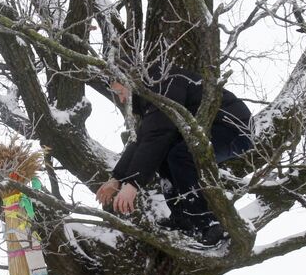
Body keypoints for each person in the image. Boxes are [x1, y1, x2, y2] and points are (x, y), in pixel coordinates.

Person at [95, 64, 253, 246]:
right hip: (210, 129)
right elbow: (143, 140)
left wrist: (132, 184)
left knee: (180, 156)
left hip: (234, 129)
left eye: (120, 92)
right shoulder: (152, 93)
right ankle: (182, 218)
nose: (122, 99)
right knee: (166, 154)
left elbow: (157, 136)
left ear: (130, 81)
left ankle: (208, 224)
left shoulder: (164, 83)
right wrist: (117, 178)